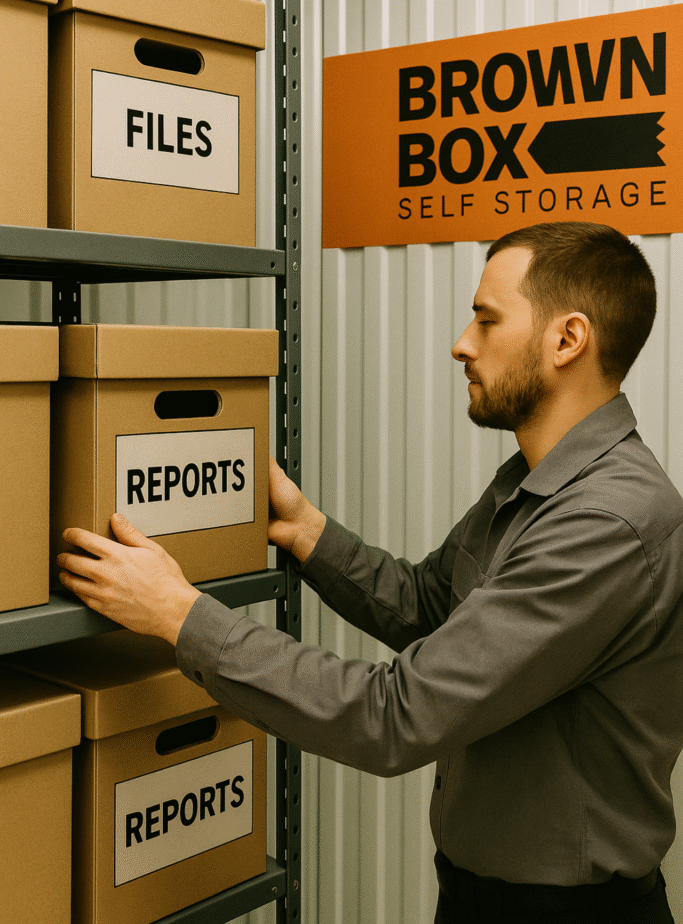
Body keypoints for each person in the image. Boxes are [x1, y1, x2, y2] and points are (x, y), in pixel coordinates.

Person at [57, 221, 683, 924]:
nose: (461, 343)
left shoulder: (607, 524)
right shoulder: (532, 485)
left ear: (566, 340)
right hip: (478, 897)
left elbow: (397, 716)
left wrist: (180, 614)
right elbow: (426, 606)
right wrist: (310, 535)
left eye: (485, 319)